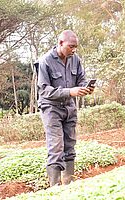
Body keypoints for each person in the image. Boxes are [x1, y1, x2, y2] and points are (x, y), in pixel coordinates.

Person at [35, 30, 94, 187]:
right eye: (71, 46)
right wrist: (70, 91)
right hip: (51, 108)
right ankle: (55, 189)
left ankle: (69, 184)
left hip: (69, 106)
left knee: (70, 145)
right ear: (60, 43)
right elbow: (44, 90)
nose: (73, 50)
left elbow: (81, 79)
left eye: (75, 47)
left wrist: (84, 88)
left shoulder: (75, 60)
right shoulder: (45, 61)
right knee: (56, 146)